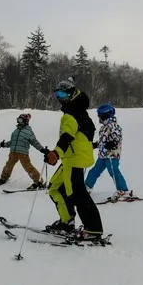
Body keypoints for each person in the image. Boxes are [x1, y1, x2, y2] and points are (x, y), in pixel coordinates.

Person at [44, 77, 104, 241]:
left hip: (73, 159)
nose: (59, 97)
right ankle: (67, 221)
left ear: (71, 93)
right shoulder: (81, 112)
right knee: (55, 188)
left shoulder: (71, 113)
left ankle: (93, 230)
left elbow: (67, 137)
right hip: (72, 158)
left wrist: (56, 153)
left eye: (62, 94)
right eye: (57, 94)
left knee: (78, 194)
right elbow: (86, 134)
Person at [84, 104, 130, 200]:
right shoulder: (104, 127)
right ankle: (87, 186)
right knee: (95, 171)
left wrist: (112, 143)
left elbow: (118, 137)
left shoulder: (114, 126)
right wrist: (95, 145)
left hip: (112, 155)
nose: (99, 118)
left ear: (105, 116)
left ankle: (123, 190)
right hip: (103, 155)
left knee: (114, 171)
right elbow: (103, 140)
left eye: (100, 116)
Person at [0, 113, 46, 190]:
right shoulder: (15, 131)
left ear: (26, 121)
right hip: (13, 152)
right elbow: (12, 142)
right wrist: (5, 144)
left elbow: (34, 142)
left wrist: (42, 149)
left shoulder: (29, 132)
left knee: (28, 167)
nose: (19, 122)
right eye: (18, 120)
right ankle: (3, 178)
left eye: (21, 120)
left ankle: (38, 181)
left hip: (23, 153)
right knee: (8, 165)